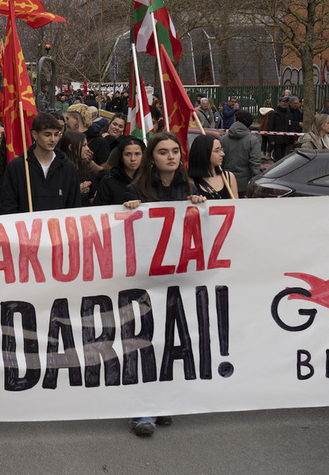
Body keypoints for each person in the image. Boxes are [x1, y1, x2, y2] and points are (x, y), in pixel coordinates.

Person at [122, 131, 206, 438]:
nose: (171, 156)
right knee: (145, 341)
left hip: (179, 279)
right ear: (152, 158)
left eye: (175, 151)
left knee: (172, 342)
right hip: (145, 280)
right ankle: (141, 411)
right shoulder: (136, 189)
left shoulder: (191, 188)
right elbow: (120, 233)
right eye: (163, 152)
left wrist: (199, 207)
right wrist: (129, 209)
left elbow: (202, 231)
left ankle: (163, 403)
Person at [0, 113, 79, 214]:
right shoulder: (17, 167)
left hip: (58, 228)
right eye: (47, 134)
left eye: (56, 134)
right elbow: (8, 205)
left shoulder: (69, 168)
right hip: (26, 228)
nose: (53, 140)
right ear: (35, 135)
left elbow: (74, 207)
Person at [220, 110, 261, 198]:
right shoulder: (253, 140)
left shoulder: (223, 139)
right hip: (244, 184)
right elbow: (255, 163)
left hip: (225, 182)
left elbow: (219, 162)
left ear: (236, 120)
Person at [95, 137, 145, 206]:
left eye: (137, 154)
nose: (133, 159)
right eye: (128, 154)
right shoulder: (108, 181)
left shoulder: (151, 180)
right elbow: (99, 210)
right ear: (121, 156)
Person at [188, 133, 237, 199]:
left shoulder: (229, 177)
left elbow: (237, 205)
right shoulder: (189, 181)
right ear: (204, 153)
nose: (222, 154)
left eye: (221, 149)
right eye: (217, 151)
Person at [58, 130, 95, 206]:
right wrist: (75, 191)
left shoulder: (88, 170)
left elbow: (91, 199)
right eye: (84, 145)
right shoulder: (59, 170)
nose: (88, 149)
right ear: (71, 147)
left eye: (87, 145)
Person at [266, 96, 295, 162]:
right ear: (279, 103)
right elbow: (270, 127)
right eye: (283, 102)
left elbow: (291, 126)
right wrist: (271, 139)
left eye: (286, 102)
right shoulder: (273, 114)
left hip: (287, 140)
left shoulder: (289, 114)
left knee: (285, 159)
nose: (285, 103)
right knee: (278, 159)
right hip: (277, 141)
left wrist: (294, 138)